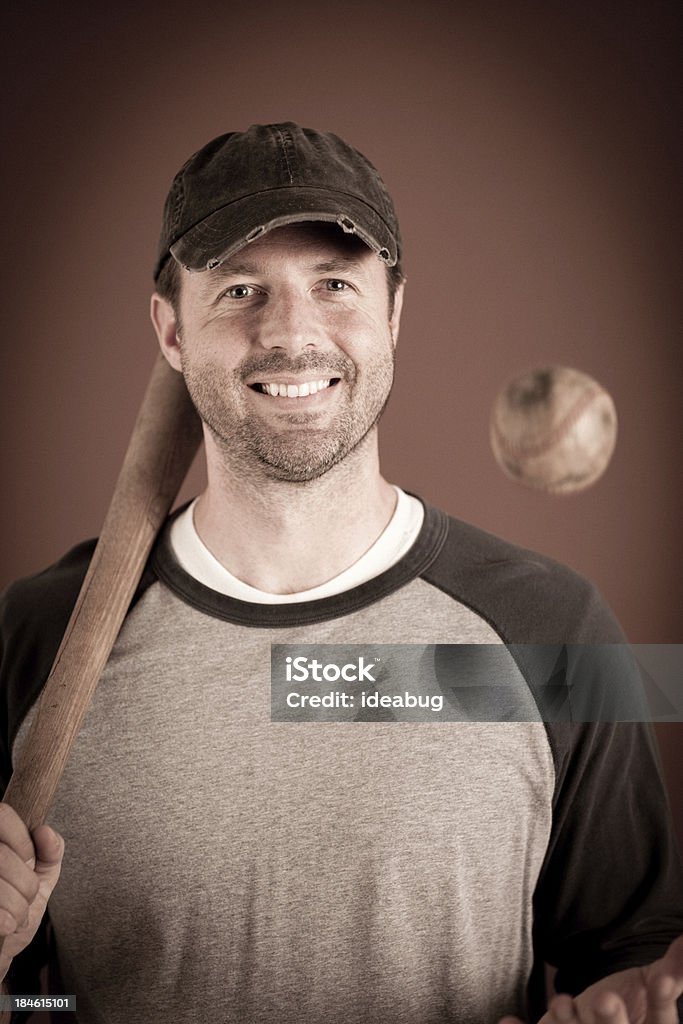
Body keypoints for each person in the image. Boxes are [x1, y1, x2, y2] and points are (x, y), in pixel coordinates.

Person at [0, 122, 682, 1024]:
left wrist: (624, 1008)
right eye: (241, 288)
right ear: (169, 330)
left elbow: (623, 958)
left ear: (393, 314)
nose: (292, 332)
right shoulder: (36, 635)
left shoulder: (551, 627)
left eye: (334, 285)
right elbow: (37, 1002)